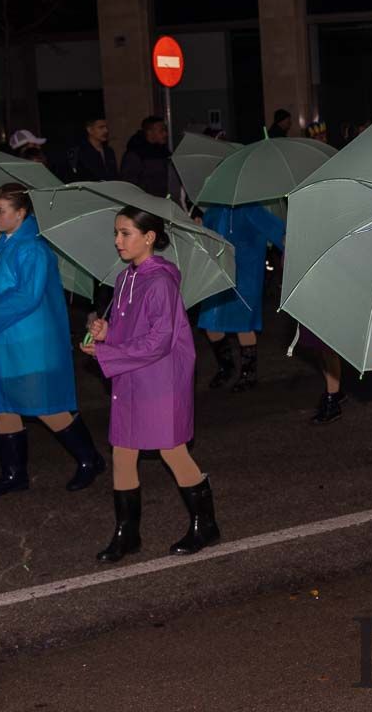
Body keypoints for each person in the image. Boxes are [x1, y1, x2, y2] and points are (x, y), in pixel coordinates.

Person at [82, 206, 219, 562]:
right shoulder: (127, 277)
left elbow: (160, 340)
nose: (117, 241)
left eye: (125, 233)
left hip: (159, 380)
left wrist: (107, 356)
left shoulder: (159, 281)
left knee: (172, 451)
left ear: (149, 237)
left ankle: (206, 526)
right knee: (123, 453)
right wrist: (106, 333)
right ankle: (127, 534)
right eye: (116, 233)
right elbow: (130, 330)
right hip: (130, 377)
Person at [0, 183, 105, 498]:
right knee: (4, 405)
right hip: (8, 339)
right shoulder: (1, 246)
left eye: (0, 210)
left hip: (31, 341)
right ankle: (14, 473)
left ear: (21, 213)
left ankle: (90, 459)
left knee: (44, 405)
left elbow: (28, 295)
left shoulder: (32, 248)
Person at [198, 203, 285, 392]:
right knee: (210, 322)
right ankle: (226, 367)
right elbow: (204, 237)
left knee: (243, 324)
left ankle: (248, 373)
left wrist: (289, 251)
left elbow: (279, 232)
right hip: (218, 275)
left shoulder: (251, 209)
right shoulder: (213, 211)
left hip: (245, 275)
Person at [121, 116, 176, 198]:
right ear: (149, 132)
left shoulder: (164, 151)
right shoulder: (136, 153)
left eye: (165, 130)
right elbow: (129, 183)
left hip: (163, 200)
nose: (165, 134)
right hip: (145, 203)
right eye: (161, 131)